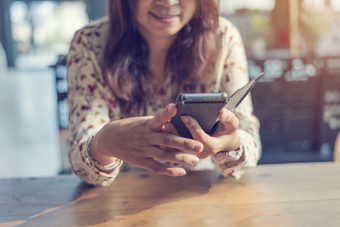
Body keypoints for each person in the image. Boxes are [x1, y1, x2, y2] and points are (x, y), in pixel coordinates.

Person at [67, 0, 261, 187]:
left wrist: (230, 143)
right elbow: (80, 160)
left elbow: (251, 140)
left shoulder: (223, 37)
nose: (168, 2)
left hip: (198, 195)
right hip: (117, 198)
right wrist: (103, 142)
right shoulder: (90, 43)